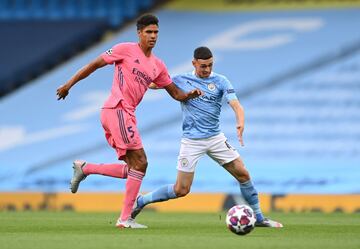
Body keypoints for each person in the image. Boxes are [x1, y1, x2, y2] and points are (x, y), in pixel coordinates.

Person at [56, 14, 202, 229]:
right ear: (139, 33)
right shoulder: (125, 49)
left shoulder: (157, 66)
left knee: (134, 168)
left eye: (156, 32)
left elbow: (175, 93)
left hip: (125, 113)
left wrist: (189, 95)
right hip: (117, 108)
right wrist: (69, 84)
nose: (153, 36)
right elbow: (94, 64)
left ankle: (86, 168)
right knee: (141, 163)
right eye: (149, 32)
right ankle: (125, 219)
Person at [131, 46, 283, 228]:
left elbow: (236, 105)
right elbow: (153, 84)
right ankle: (141, 201)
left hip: (215, 138)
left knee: (243, 174)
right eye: (203, 66)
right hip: (191, 141)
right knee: (181, 189)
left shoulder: (221, 81)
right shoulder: (181, 79)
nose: (207, 69)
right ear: (194, 63)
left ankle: (258, 218)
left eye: (210, 65)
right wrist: (139, 75)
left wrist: (240, 121)